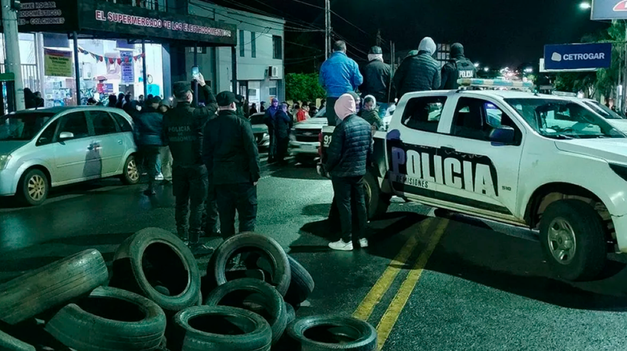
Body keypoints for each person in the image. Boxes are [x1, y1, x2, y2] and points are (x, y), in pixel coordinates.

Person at [163, 73, 217, 254]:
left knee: (181, 203)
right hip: (197, 166)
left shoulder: (168, 116)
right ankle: (194, 242)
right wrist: (203, 85)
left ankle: (182, 239)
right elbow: (213, 104)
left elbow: (164, 138)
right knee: (197, 205)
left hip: (178, 166)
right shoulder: (196, 114)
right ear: (188, 96)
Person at [203, 91, 260, 238]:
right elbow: (252, 151)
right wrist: (255, 174)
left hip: (221, 179)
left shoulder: (210, 125)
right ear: (233, 104)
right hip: (243, 178)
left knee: (226, 220)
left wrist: (213, 173)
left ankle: (228, 256)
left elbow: (206, 154)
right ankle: (245, 255)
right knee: (247, 218)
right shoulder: (241, 123)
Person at [325, 93, 372, 251]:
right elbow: (369, 151)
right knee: (360, 204)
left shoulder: (342, 127)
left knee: (345, 205)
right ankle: (363, 237)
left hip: (342, 174)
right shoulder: (365, 125)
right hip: (359, 172)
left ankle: (347, 240)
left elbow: (334, 154)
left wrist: (327, 168)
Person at [319, 40, 363, 126]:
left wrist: (328, 89)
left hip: (331, 97)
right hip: (347, 96)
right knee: (348, 123)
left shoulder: (325, 63)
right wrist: (352, 88)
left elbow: (321, 82)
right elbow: (359, 80)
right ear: (345, 49)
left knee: (332, 125)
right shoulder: (352, 63)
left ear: (333, 50)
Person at [134, 95, 164, 196]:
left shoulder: (142, 117)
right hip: (156, 142)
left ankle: (149, 185)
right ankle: (152, 186)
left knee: (146, 164)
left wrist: (138, 141)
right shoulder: (160, 117)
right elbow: (163, 130)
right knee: (152, 163)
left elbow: (136, 131)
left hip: (144, 141)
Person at [360, 46, 393, 119]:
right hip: (382, 99)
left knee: (368, 119)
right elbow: (391, 85)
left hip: (368, 99)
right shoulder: (387, 67)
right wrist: (391, 99)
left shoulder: (365, 67)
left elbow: (361, 84)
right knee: (379, 121)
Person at [264, 98, 280, 163]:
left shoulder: (279, 109)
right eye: (274, 102)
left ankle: (276, 155)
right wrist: (271, 124)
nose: (275, 103)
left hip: (278, 128)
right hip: (272, 129)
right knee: (272, 142)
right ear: (272, 103)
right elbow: (265, 119)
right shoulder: (269, 110)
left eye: (276, 102)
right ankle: (270, 156)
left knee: (277, 142)